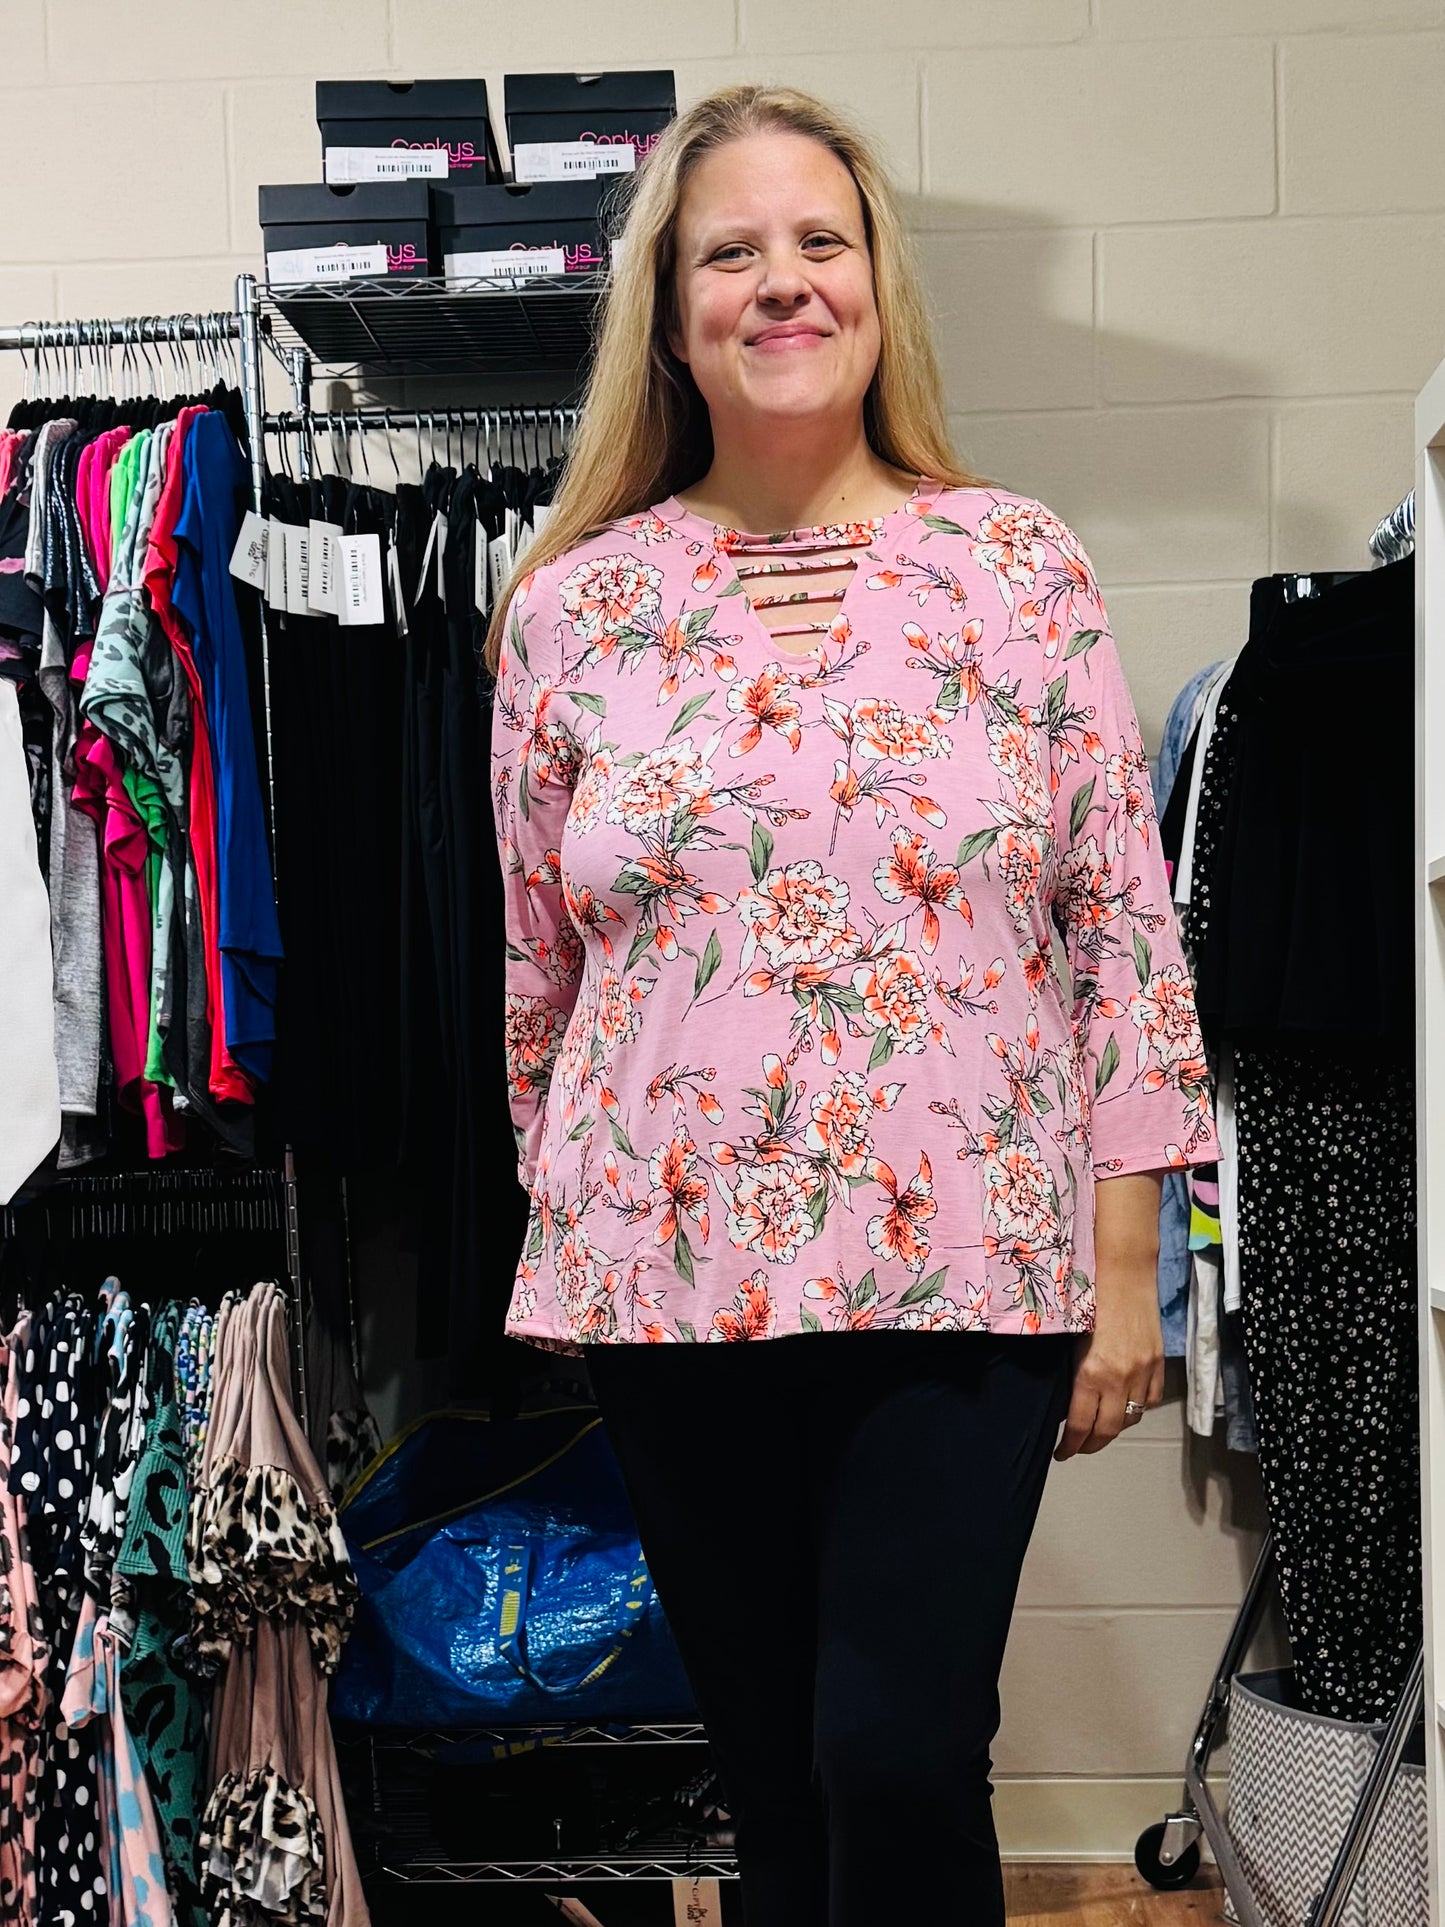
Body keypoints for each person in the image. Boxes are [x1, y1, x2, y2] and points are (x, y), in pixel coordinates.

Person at [486, 82, 1216, 1927]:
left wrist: (1129, 1254)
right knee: (770, 1768)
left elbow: (1119, 921)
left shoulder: (1014, 567)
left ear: (878, 286)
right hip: (671, 1274)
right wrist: (568, 1228)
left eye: (821, 242)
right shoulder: (570, 611)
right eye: (729, 252)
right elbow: (538, 972)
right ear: (670, 314)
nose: (781, 282)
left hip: (964, 1262)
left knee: (892, 1749)